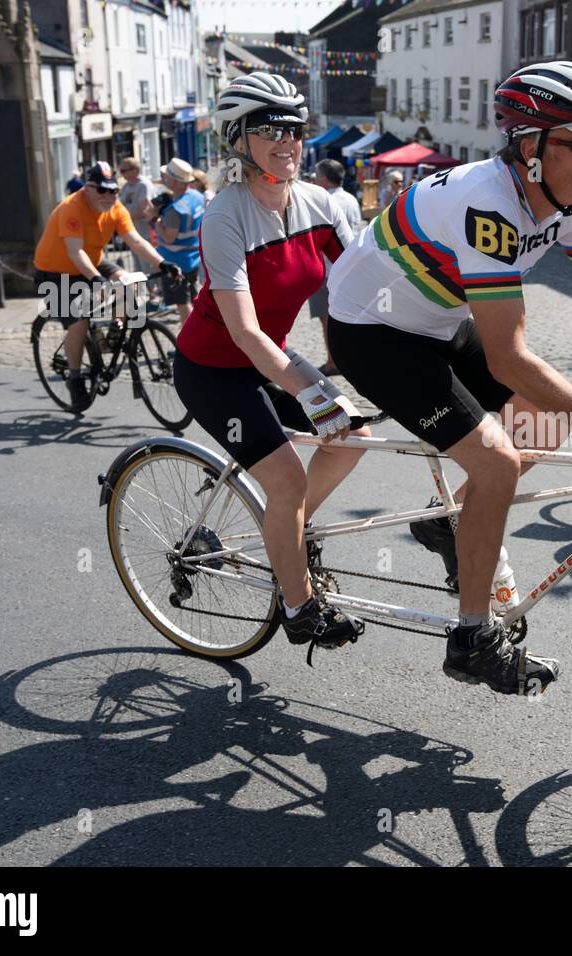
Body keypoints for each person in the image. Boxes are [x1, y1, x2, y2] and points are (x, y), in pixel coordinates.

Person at [325, 60, 572, 696]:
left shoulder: (565, 199)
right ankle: (471, 640)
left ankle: (450, 524)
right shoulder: (487, 205)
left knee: (550, 422)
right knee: (497, 462)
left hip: (435, 322)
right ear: (530, 147)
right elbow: (508, 359)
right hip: (371, 331)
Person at [172, 73, 367, 653]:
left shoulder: (319, 203)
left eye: (295, 129)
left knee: (352, 437)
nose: (287, 141)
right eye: (269, 129)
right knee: (286, 478)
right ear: (238, 138)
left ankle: (287, 532)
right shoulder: (224, 215)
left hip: (270, 358)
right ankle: (298, 604)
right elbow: (245, 331)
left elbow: (362, 277)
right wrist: (309, 387)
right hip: (213, 369)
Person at [32, 161, 182, 410]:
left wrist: (163, 263)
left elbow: (135, 240)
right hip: (55, 272)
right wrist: (96, 280)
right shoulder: (72, 207)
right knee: (79, 321)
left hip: (92, 262)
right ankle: (75, 377)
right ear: (87, 188)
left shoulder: (115, 207)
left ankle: (116, 326)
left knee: (129, 283)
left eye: (113, 190)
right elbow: (74, 251)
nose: (109, 195)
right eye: (102, 190)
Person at [307, 158, 365, 376]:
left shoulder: (322, 200)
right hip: (349, 266)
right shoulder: (350, 198)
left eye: (316, 175)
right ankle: (344, 360)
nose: (313, 179)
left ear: (324, 178)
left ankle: (333, 361)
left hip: (328, 268)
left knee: (328, 320)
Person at [153, 158, 206, 325]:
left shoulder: (175, 209)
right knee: (192, 299)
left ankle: (189, 345)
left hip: (175, 262)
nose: (164, 179)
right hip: (193, 257)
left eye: (167, 177)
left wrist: (156, 222)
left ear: (175, 181)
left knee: (183, 303)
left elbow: (169, 238)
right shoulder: (197, 196)